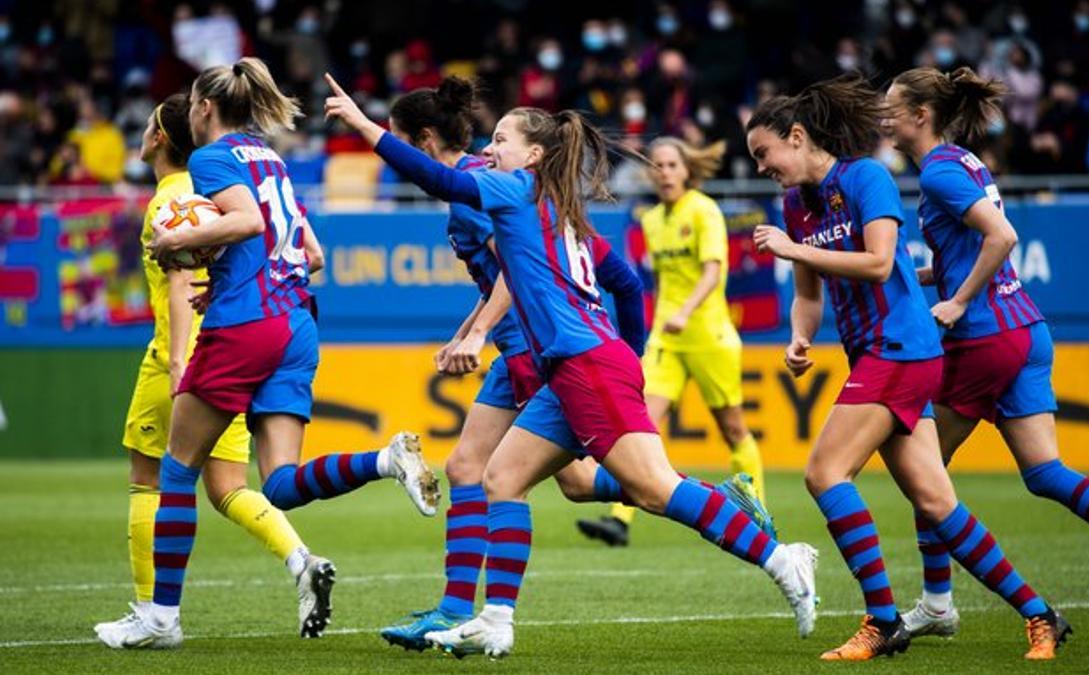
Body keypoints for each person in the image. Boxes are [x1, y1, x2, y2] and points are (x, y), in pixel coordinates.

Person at [325, 73, 817, 659]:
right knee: (502, 478)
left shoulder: (514, 189)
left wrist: (362, 127)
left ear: (533, 154)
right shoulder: (554, 206)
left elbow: (437, 176)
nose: (490, 149)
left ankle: (782, 558)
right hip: (577, 364)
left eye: (501, 140)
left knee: (655, 490)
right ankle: (495, 619)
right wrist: (629, 354)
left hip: (585, 362)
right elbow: (626, 284)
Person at [99, 57, 439, 650]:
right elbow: (310, 255)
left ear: (204, 107)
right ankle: (385, 461)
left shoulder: (210, 159)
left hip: (246, 328)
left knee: (176, 471)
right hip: (295, 322)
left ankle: (160, 617)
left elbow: (248, 221)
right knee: (278, 484)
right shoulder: (269, 157)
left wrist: (175, 239)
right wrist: (226, 275)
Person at [747, 75, 1069, 661]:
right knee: (935, 502)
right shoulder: (797, 205)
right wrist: (798, 336)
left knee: (824, 474)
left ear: (797, 136)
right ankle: (1040, 614)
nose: (762, 167)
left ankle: (883, 620)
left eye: (764, 154)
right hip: (878, 351)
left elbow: (877, 263)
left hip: (898, 347)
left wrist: (794, 249)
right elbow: (809, 294)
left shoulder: (865, 177)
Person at [884, 66, 1089, 637]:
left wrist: (956, 303)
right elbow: (973, 248)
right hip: (1025, 331)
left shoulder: (936, 175)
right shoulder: (964, 162)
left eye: (891, 112)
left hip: (983, 340)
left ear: (920, 116)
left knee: (922, 470)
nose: (885, 121)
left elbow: (1003, 237)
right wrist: (921, 277)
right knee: (1046, 473)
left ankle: (936, 604)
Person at [94, 93, 316, 647]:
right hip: (266, 329)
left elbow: (179, 285)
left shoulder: (179, 194)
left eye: (147, 126)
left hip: (197, 348)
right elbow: (306, 251)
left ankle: (154, 609)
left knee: (155, 477)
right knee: (230, 487)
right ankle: (301, 560)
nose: (141, 134)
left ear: (162, 137)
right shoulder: (249, 167)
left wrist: (176, 363)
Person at [577, 137, 766, 547]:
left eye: (670, 165)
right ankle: (619, 519)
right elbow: (661, 282)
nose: (663, 172)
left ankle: (758, 514)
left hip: (708, 334)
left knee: (733, 427)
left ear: (686, 170)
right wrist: (665, 317)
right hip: (667, 337)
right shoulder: (651, 220)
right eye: (657, 166)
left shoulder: (704, 210)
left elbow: (713, 272)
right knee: (638, 422)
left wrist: (685, 312)